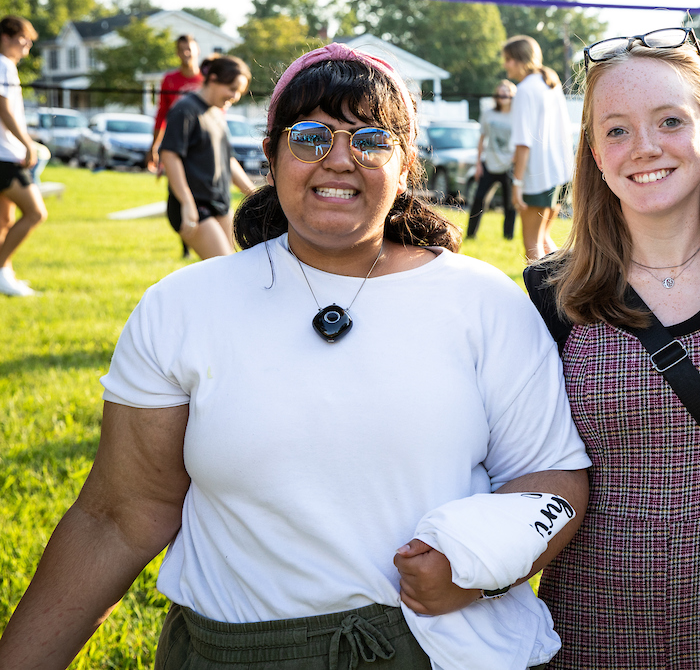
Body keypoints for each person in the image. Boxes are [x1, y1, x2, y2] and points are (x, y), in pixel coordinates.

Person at [0, 43, 591, 670]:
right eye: (310, 138)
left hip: (429, 646)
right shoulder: (183, 305)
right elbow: (118, 518)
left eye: (371, 140)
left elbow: (551, 476)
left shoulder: (483, 301)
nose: (339, 160)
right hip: (225, 655)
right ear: (271, 155)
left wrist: (472, 568)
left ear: (405, 166)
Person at [524, 27, 700, 669]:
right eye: (616, 130)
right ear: (595, 153)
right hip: (588, 633)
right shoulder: (549, 295)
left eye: (670, 121)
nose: (644, 147)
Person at [159, 54, 257, 259]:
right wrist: (187, 203)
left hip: (219, 204)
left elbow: (228, 160)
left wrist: (254, 195)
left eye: (239, 92)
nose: (235, 97)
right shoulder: (185, 109)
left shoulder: (216, 113)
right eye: (232, 89)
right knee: (225, 270)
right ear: (213, 79)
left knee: (234, 265)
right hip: (194, 205)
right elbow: (170, 155)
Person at [504, 35, 573, 262]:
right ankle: (563, 284)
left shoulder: (525, 90)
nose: (505, 65)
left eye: (508, 59)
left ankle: (543, 289)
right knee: (544, 240)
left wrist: (517, 183)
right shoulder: (549, 83)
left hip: (537, 176)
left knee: (532, 245)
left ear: (519, 59)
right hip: (559, 172)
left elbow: (523, 142)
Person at [0, 15, 48, 297]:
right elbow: (4, 110)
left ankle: (5, 274)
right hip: (6, 157)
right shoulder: (3, 65)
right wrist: (27, 144)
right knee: (35, 212)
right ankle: (1, 269)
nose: (28, 43)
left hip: (7, 154)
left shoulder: (7, 66)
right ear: (5, 37)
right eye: (23, 38)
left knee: (5, 220)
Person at [466, 79, 518, 240]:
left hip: (509, 165)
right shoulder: (488, 113)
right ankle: (470, 234)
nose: (503, 96)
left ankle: (508, 237)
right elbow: (482, 139)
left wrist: (516, 159)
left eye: (507, 93)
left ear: (512, 96)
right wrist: (478, 164)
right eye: (500, 93)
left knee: (509, 204)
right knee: (479, 199)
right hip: (489, 164)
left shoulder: (517, 116)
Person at [149, 34, 204, 174]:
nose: (185, 53)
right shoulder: (169, 80)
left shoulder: (207, 80)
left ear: (197, 50)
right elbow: (162, 114)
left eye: (189, 49)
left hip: (201, 143)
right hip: (176, 143)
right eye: (181, 50)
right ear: (177, 53)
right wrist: (154, 146)